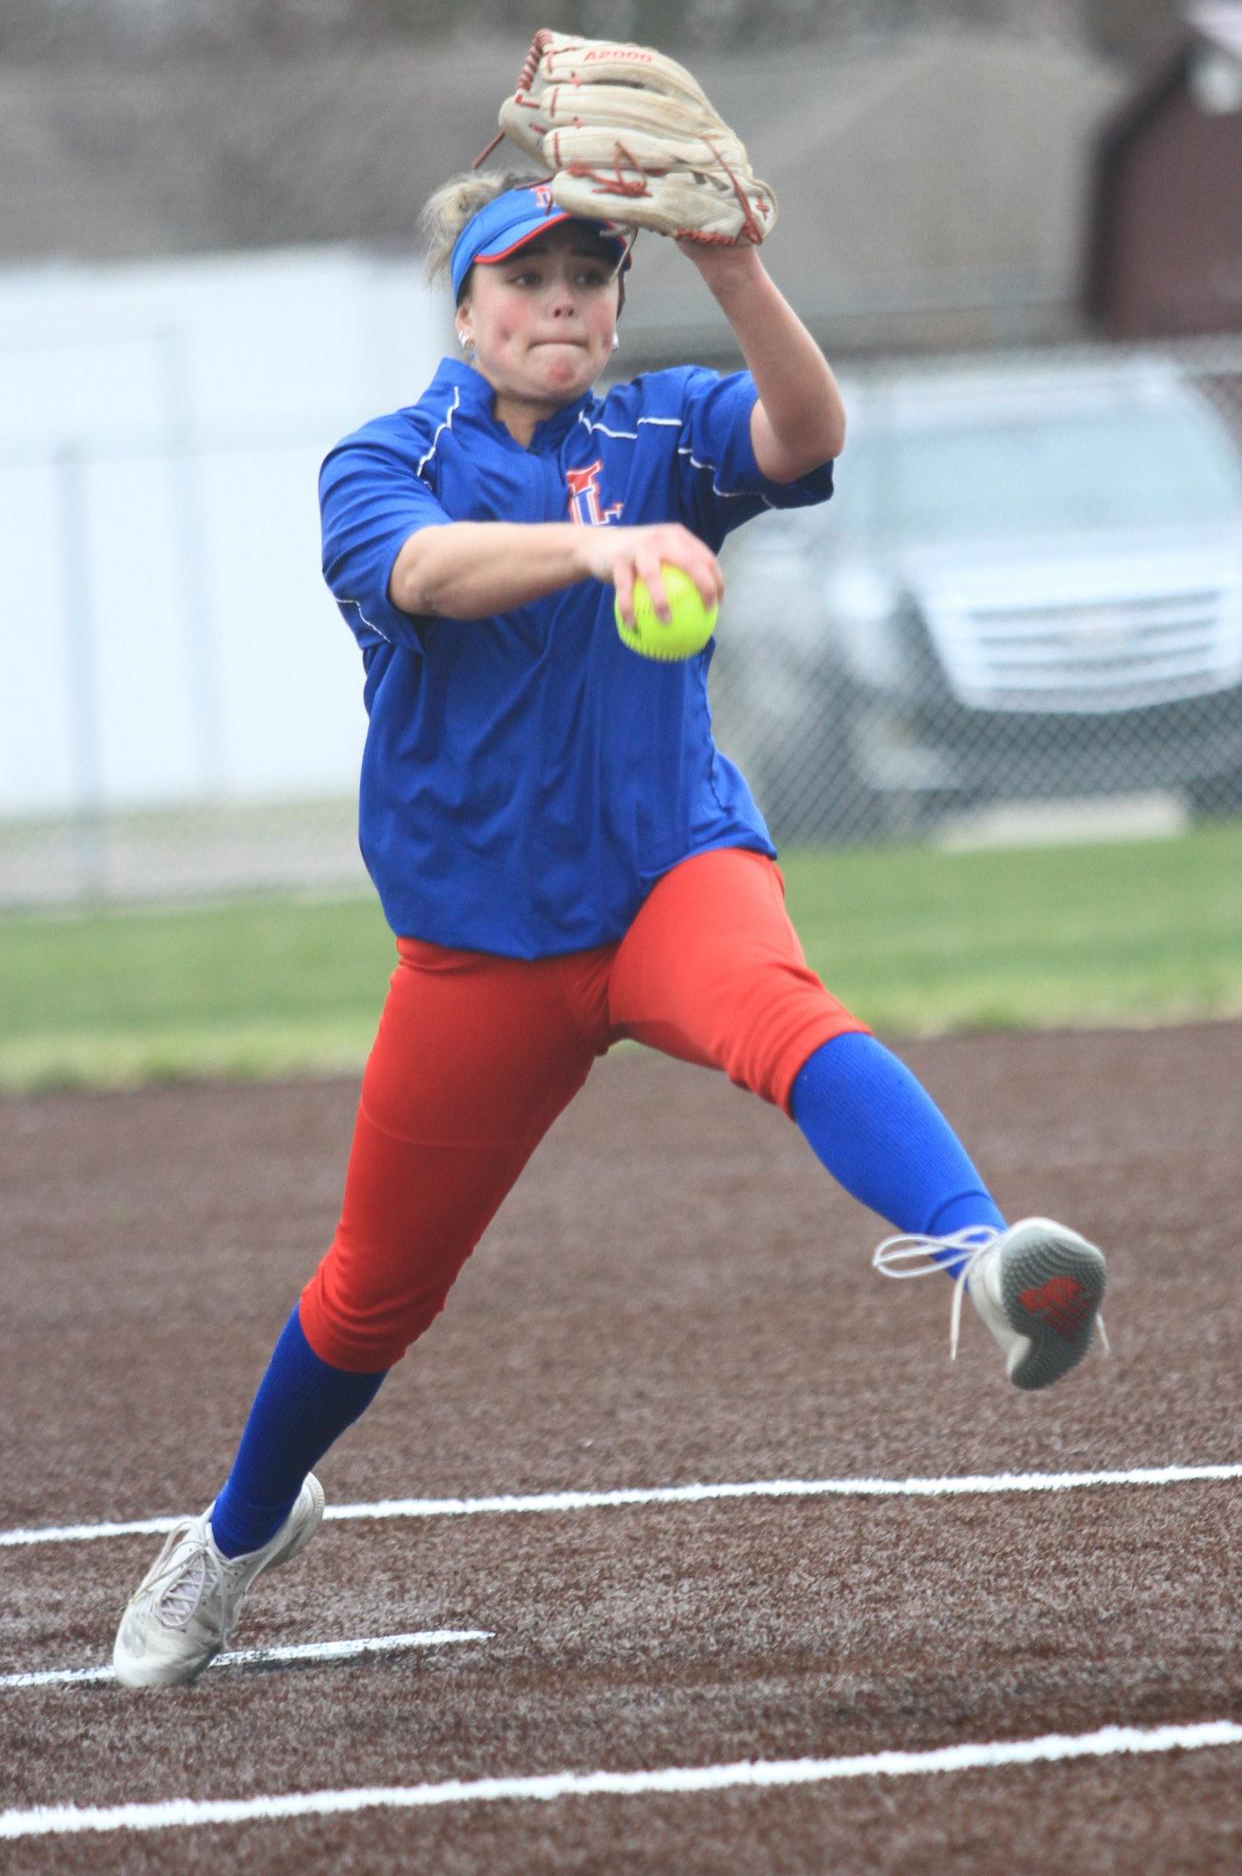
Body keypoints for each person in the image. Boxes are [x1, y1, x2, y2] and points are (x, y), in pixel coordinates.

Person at [112, 171, 1107, 1690]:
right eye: (525, 278)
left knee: (784, 1016)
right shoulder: (390, 457)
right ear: (461, 306)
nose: (560, 301)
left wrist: (736, 268)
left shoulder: (660, 429)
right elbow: (422, 569)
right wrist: (600, 552)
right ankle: (237, 1534)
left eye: (589, 275)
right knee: (373, 1289)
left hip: (667, 873)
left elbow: (806, 436)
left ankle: (987, 1256)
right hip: (482, 947)